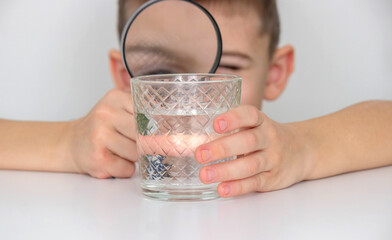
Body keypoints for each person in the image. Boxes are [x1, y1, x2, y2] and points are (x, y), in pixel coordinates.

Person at [0, 0, 391, 198]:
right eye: (158, 76)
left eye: (223, 68)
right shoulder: (107, 149)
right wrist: (68, 144)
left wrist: (303, 149)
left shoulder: (280, 156)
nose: (189, 97)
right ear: (127, 79)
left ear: (275, 73)